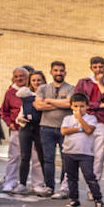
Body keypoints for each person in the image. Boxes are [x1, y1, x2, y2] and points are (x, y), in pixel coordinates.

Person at [72, 56, 104, 179]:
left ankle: (93, 188)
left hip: (102, 123)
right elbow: (77, 102)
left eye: (100, 67)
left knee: (99, 156)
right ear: (91, 68)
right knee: (76, 153)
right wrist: (99, 105)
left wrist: (100, 84)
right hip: (84, 120)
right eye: (95, 67)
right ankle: (67, 185)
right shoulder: (83, 82)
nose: (98, 69)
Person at [34, 61, 75, 196]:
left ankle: (64, 188)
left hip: (65, 128)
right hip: (46, 127)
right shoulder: (43, 88)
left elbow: (69, 103)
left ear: (65, 72)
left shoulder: (71, 88)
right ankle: (49, 186)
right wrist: (60, 104)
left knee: (66, 159)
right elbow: (38, 106)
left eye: (61, 70)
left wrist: (49, 101)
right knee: (48, 159)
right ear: (51, 72)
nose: (59, 73)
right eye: (56, 70)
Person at [60, 93, 104, 207]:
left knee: (90, 176)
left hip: (86, 153)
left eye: (82, 106)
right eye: (75, 106)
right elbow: (64, 131)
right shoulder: (67, 118)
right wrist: (79, 129)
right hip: (69, 151)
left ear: (87, 106)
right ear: (71, 106)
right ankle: (74, 199)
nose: (78, 109)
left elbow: (89, 130)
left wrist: (80, 119)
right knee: (71, 177)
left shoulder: (91, 118)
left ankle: (98, 199)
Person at [15, 70, 47, 194]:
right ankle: (22, 183)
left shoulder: (46, 94)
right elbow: (21, 111)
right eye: (33, 80)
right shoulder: (26, 95)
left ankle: (42, 183)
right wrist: (19, 119)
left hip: (41, 128)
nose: (36, 82)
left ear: (44, 81)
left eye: (39, 80)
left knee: (41, 157)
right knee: (24, 156)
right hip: (26, 127)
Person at [0, 66, 30, 193]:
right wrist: (9, 123)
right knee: (14, 156)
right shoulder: (10, 92)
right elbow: (4, 111)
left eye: (22, 76)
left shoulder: (33, 91)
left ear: (27, 77)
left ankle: (36, 183)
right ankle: (10, 181)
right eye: (16, 76)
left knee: (34, 158)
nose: (19, 78)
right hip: (16, 129)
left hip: (33, 130)